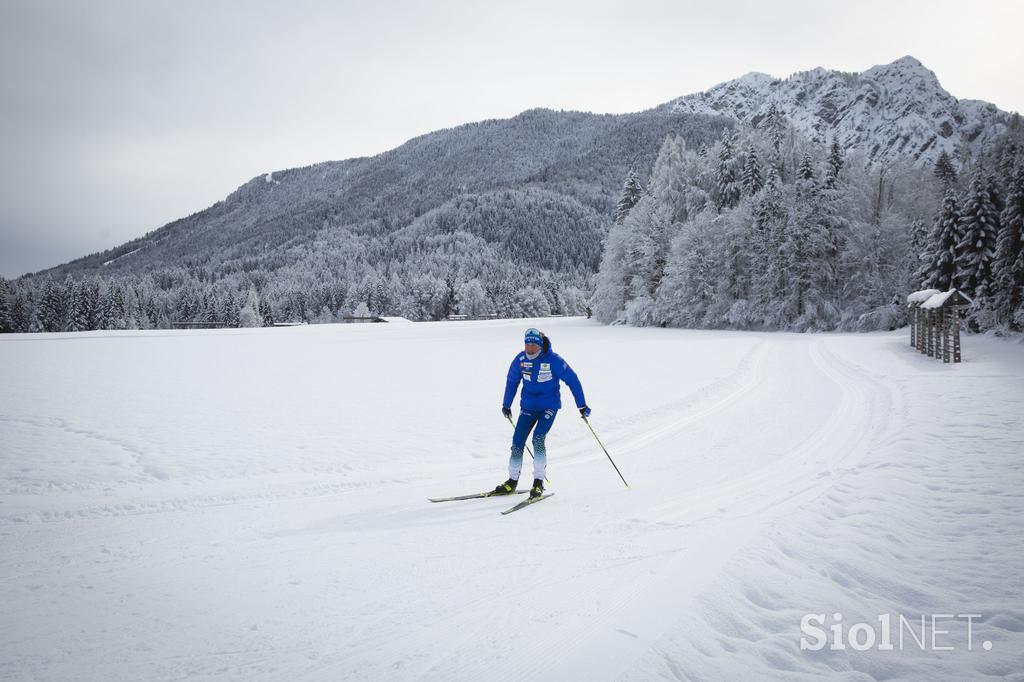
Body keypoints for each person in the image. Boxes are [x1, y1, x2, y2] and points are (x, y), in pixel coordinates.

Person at [494, 327, 590, 499]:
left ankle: (538, 483)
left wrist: (581, 405)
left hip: (549, 406)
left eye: (533, 345)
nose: (529, 348)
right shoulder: (521, 359)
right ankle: (512, 481)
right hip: (528, 407)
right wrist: (506, 405)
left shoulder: (553, 360)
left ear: (539, 345)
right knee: (517, 441)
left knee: (538, 438)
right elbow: (512, 382)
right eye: (526, 344)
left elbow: (573, 381)